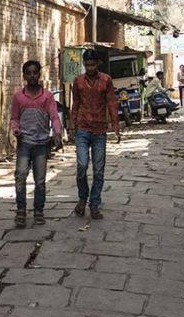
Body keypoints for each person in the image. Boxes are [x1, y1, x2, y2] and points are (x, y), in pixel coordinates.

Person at [10, 60, 63, 227]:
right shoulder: (19, 97)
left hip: (41, 143)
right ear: (24, 75)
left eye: (35, 73)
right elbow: (14, 117)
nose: (32, 76)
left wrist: (57, 133)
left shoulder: (47, 97)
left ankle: (39, 211)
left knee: (40, 180)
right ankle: (21, 211)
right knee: (20, 176)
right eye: (29, 73)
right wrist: (16, 129)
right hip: (24, 142)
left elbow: (54, 116)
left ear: (39, 75)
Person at [70, 49, 120, 220]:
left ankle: (95, 203)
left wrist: (116, 125)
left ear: (98, 63)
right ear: (83, 64)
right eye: (87, 65)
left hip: (99, 130)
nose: (90, 68)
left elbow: (112, 102)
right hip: (82, 129)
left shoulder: (106, 80)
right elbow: (75, 104)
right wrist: (72, 126)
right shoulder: (77, 82)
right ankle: (82, 197)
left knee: (98, 170)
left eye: (93, 64)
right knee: (82, 165)